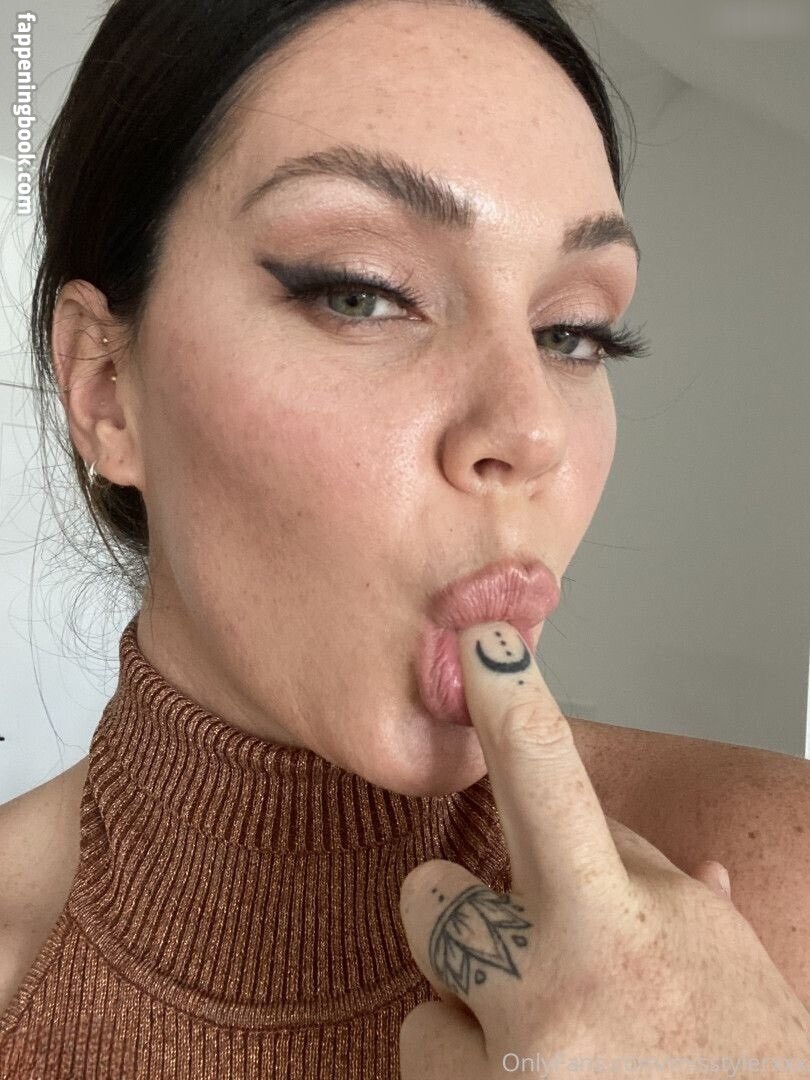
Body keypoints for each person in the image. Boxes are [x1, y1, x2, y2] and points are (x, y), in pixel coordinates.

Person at [0, 0, 807, 1074]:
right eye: (363, 294)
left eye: (572, 332)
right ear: (105, 386)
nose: (531, 432)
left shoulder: (780, 897)